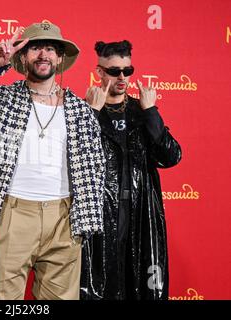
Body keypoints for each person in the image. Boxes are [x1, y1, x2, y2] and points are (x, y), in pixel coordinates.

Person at [0, 23, 105, 300]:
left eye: (51, 48)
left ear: (60, 58)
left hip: (64, 219)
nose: (43, 54)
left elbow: (93, 168)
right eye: (35, 48)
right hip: (14, 213)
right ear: (22, 57)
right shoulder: (2, 99)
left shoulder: (80, 109)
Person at [82, 40, 182, 300]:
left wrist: (151, 113)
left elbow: (171, 156)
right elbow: (73, 159)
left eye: (128, 70)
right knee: (101, 288)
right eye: (114, 71)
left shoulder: (142, 112)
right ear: (99, 72)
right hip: (100, 216)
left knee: (138, 287)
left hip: (141, 212)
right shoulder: (84, 111)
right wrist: (91, 113)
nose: (122, 77)